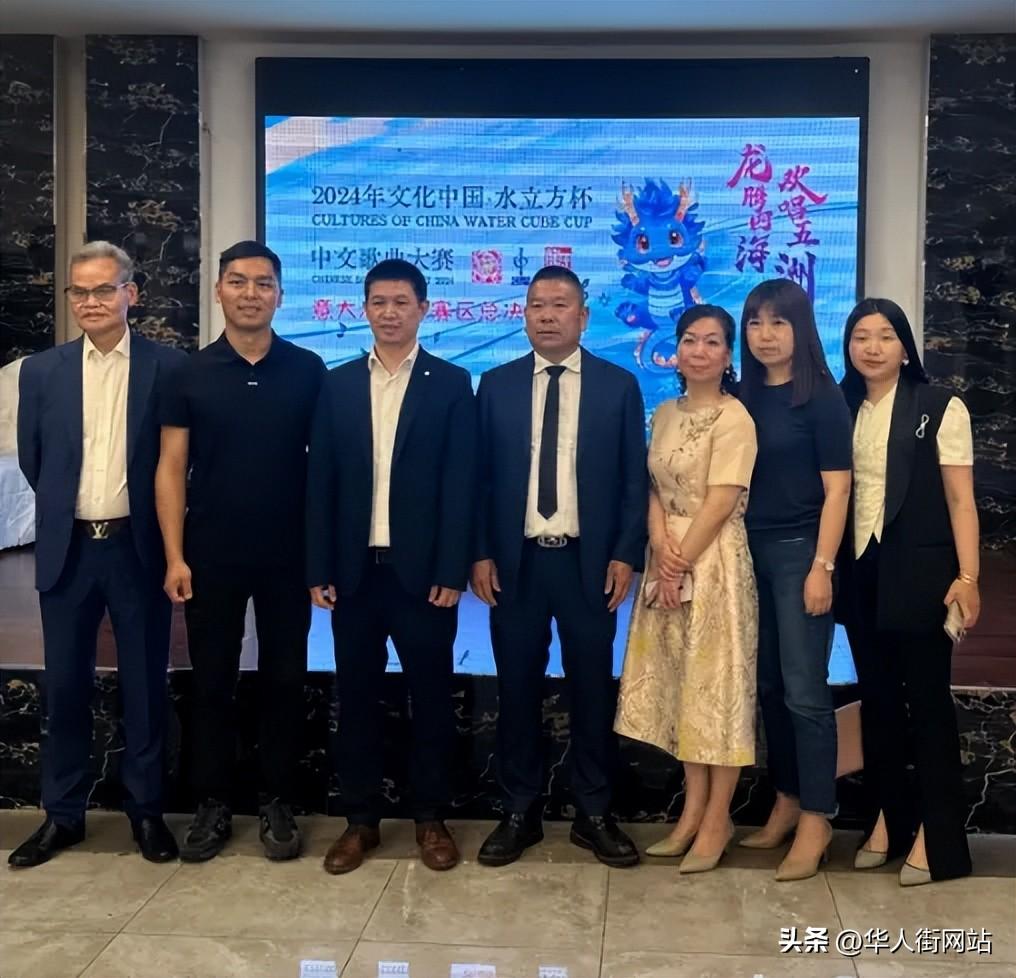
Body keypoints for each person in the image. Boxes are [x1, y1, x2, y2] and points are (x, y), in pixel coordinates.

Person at [10, 241, 185, 868]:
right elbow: (34, 461)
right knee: (64, 687)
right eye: (79, 291)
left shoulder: (169, 368)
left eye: (103, 290)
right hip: (69, 551)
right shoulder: (41, 371)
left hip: (136, 549)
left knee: (145, 685)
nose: (90, 302)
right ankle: (62, 816)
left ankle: (147, 813)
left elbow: (178, 464)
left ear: (130, 294)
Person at [473, 265, 647, 868]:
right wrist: (480, 552)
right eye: (536, 305)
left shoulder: (617, 386)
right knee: (517, 690)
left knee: (592, 691)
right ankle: (519, 810)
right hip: (516, 565)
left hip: (588, 564)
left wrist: (626, 553)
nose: (547, 315)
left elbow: (633, 480)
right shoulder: (495, 385)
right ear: (524, 315)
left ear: (583, 315)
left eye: (559, 305)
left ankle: (593, 812)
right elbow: (480, 481)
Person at [156, 241, 325, 862]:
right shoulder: (188, 373)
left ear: (280, 294)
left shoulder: (309, 370)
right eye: (237, 281)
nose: (250, 293)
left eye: (263, 283)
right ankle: (212, 803)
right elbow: (170, 467)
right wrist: (175, 556)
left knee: (285, 678)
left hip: (289, 555)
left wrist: (322, 558)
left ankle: (279, 800)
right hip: (211, 554)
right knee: (212, 681)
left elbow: (325, 470)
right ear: (218, 291)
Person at [306, 259, 475, 875]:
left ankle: (430, 818)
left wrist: (452, 569)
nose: (389, 312)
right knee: (357, 700)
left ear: (423, 309)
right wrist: (319, 565)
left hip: (423, 576)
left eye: (401, 302)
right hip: (354, 575)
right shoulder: (338, 384)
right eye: (378, 301)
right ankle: (360, 821)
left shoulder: (451, 383)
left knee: (431, 697)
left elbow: (462, 483)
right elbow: (320, 480)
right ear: (365, 308)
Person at [838, 298, 978, 886]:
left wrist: (968, 577)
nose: (872, 347)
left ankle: (938, 840)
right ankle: (889, 820)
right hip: (860, 573)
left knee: (927, 704)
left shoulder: (939, 405)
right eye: (861, 337)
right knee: (877, 701)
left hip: (923, 575)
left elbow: (961, 500)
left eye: (885, 336)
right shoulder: (841, 406)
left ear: (905, 347)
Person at [615, 305, 758, 874]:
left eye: (713, 342)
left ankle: (718, 818)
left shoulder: (736, 417)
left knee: (717, 689)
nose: (700, 351)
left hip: (715, 559)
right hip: (667, 554)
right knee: (683, 688)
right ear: (675, 351)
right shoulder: (666, 412)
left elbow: (722, 501)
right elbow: (652, 486)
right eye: (690, 340)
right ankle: (691, 811)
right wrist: (658, 545)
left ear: (728, 355)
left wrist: (679, 562)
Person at [737, 278, 852, 881]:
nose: (765, 335)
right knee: (767, 685)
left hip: (800, 552)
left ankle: (818, 816)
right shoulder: (741, 396)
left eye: (778, 322)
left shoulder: (821, 398)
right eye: (755, 322)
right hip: (743, 554)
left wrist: (821, 567)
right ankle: (785, 798)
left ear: (801, 329)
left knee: (806, 691)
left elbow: (839, 490)